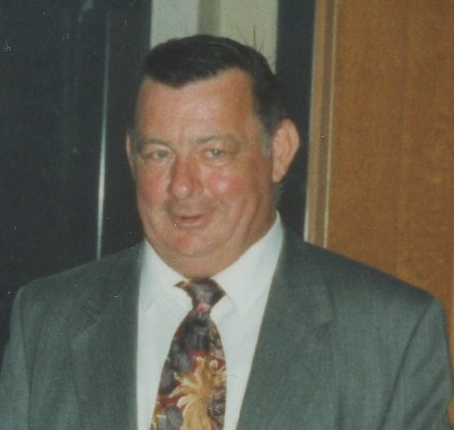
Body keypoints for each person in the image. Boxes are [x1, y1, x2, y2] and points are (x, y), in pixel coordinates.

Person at [0, 35, 452, 430]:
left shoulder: (388, 334)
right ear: (131, 156)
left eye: (214, 152)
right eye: (159, 154)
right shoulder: (47, 320)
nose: (182, 186)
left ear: (280, 151)